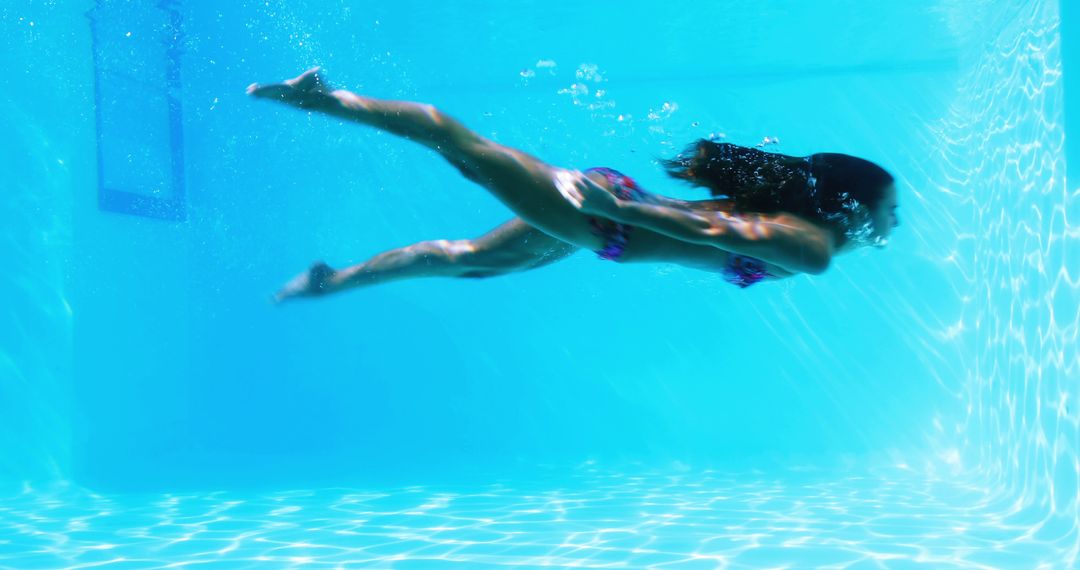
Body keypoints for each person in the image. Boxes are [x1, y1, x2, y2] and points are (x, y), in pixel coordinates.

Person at [246, 68, 900, 302]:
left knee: (472, 262)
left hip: (608, 221)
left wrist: (616, 208)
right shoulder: (812, 249)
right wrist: (613, 206)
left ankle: (330, 281)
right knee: (463, 146)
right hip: (607, 218)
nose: (893, 227)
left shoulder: (811, 236)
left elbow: (714, 229)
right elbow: (710, 228)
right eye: (889, 212)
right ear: (856, 208)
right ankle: (325, 101)